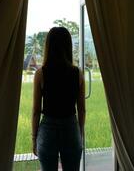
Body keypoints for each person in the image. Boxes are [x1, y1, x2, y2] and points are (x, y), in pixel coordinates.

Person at [31, 27, 86, 171]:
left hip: (47, 131)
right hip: (71, 128)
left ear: (48, 46)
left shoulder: (40, 74)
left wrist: (34, 139)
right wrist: (79, 134)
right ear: (68, 46)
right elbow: (82, 110)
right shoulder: (78, 74)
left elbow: (36, 111)